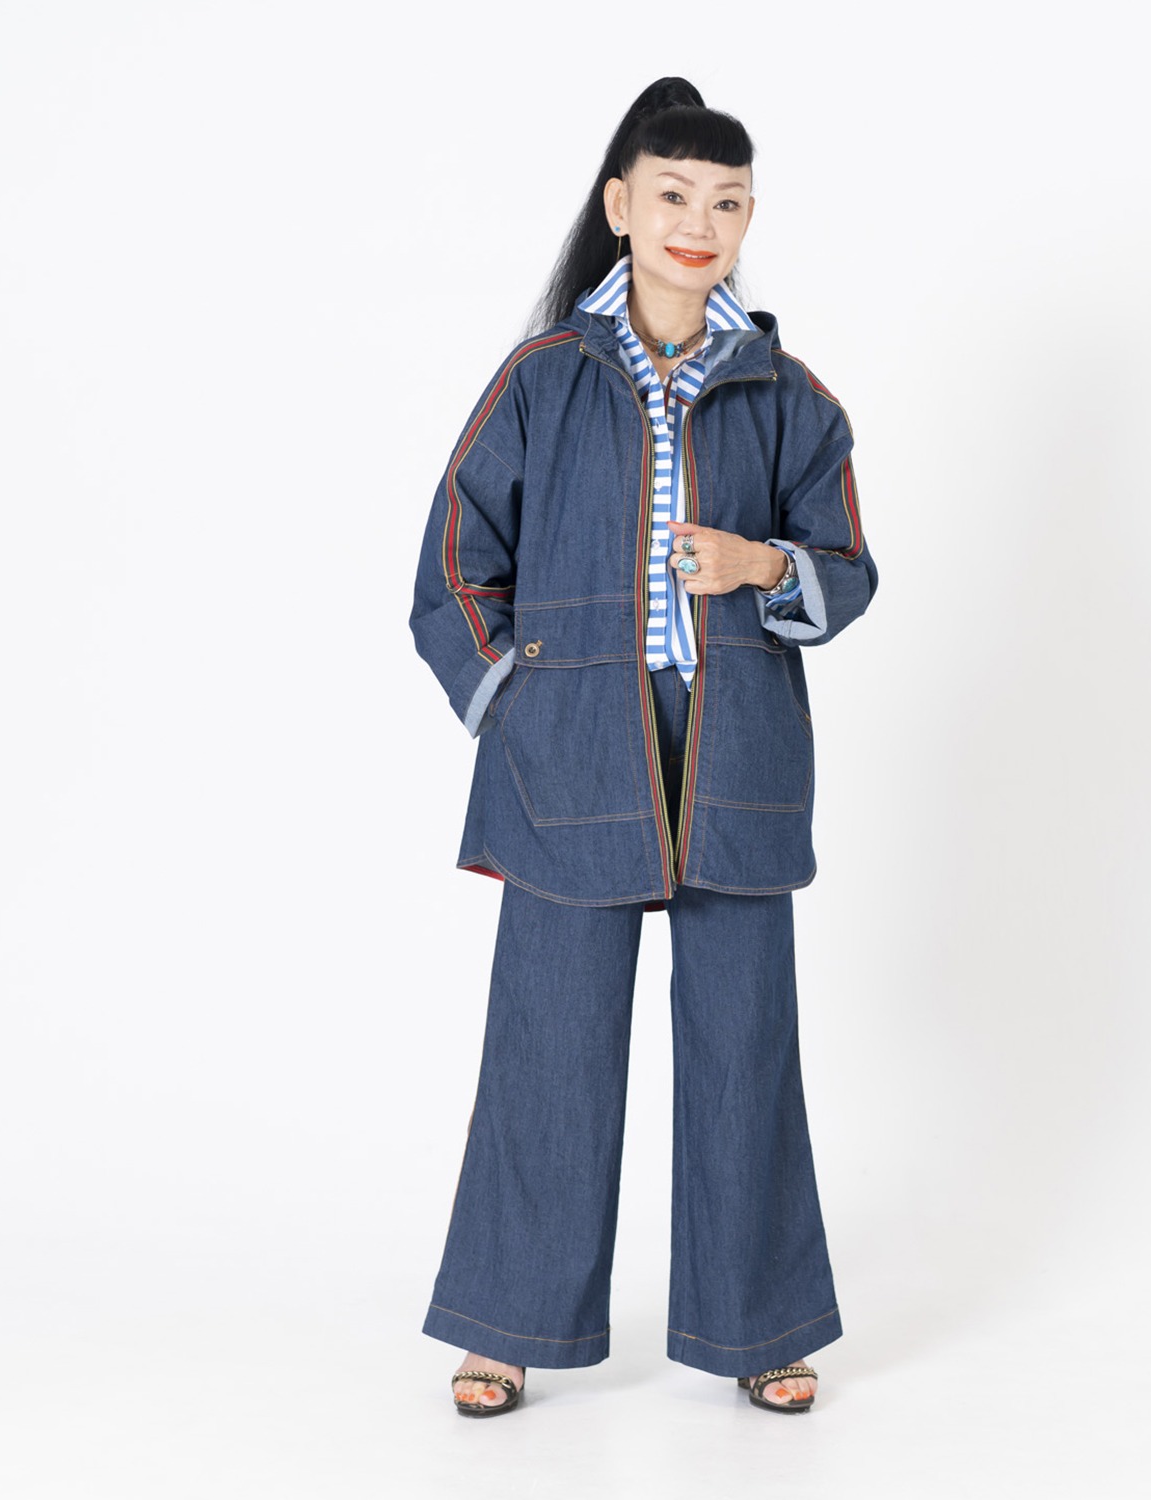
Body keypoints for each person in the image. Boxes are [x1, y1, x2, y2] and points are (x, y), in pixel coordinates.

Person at [408, 76, 878, 1418]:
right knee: (548, 1047)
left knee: (745, 1051)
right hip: (573, 755)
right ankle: (506, 1324)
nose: (698, 223)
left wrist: (760, 563)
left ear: (748, 221)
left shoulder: (787, 395)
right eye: (673, 194)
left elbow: (847, 570)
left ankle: (759, 1326)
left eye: (727, 202)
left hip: (736, 756)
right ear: (620, 204)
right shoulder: (544, 379)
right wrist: (517, 701)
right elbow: (454, 566)